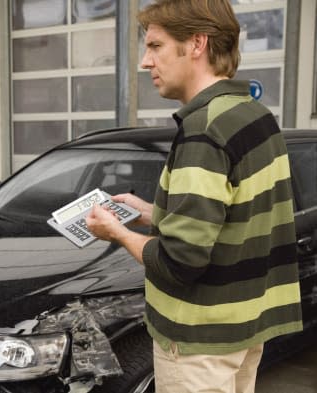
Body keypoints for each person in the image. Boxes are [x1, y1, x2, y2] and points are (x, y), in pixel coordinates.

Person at [85, 1, 303, 392]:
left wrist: (118, 234)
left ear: (197, 43)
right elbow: (235, 216)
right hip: (245, 329)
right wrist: (154, 213)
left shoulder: (205, 129)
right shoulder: (255, 115)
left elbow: (180, 262)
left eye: (155, 46)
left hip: (200, 340)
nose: (145, 62)